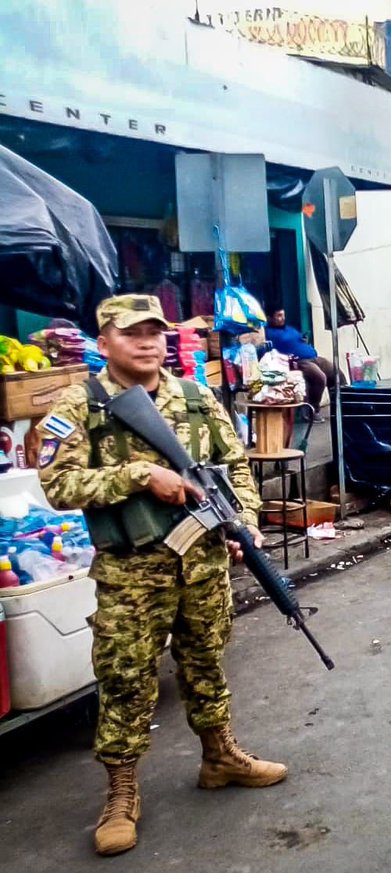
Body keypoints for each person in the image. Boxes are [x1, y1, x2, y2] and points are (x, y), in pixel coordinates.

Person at [37, 295, 287, 857]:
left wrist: (243, 522)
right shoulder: (79, 406)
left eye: (155, 331)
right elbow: (59, 486)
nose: (149, 342)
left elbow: (237, 467)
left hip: (201, 565)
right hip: (130, 573)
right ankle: (121, 792)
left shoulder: (197, 398)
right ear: (104, 343)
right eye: (132, 333)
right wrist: (139, 474)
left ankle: (220, 757)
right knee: (127, 679)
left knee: (206, 661)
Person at [264, 305, 339, 418]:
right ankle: (312, 411)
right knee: (319, 377)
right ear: (269, 318)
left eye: (283, 315)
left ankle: (341, 407)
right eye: (279, 316)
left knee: (336, 372)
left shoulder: (289, 329)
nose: (282, 318)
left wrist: (303, 340)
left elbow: (298, 339)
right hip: (298, 361)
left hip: (313, 358)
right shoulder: (268, 333)